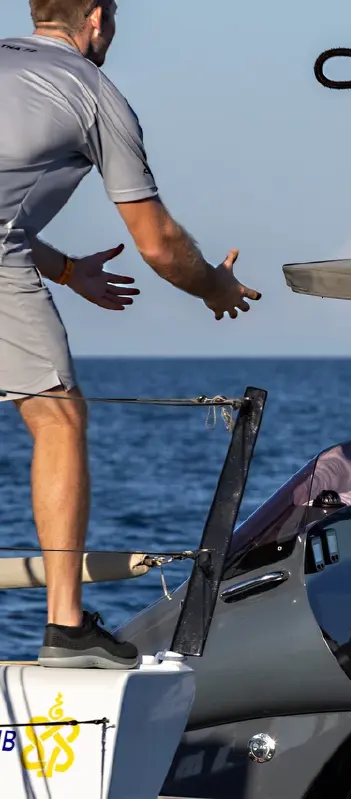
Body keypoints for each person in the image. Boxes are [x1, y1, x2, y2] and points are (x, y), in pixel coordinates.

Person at [1, 0, 260, 670]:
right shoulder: (93, 94)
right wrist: (215, 288)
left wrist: (63, 268)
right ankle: (66, 630)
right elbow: (158, 241)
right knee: (57, 416)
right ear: (95, 18)